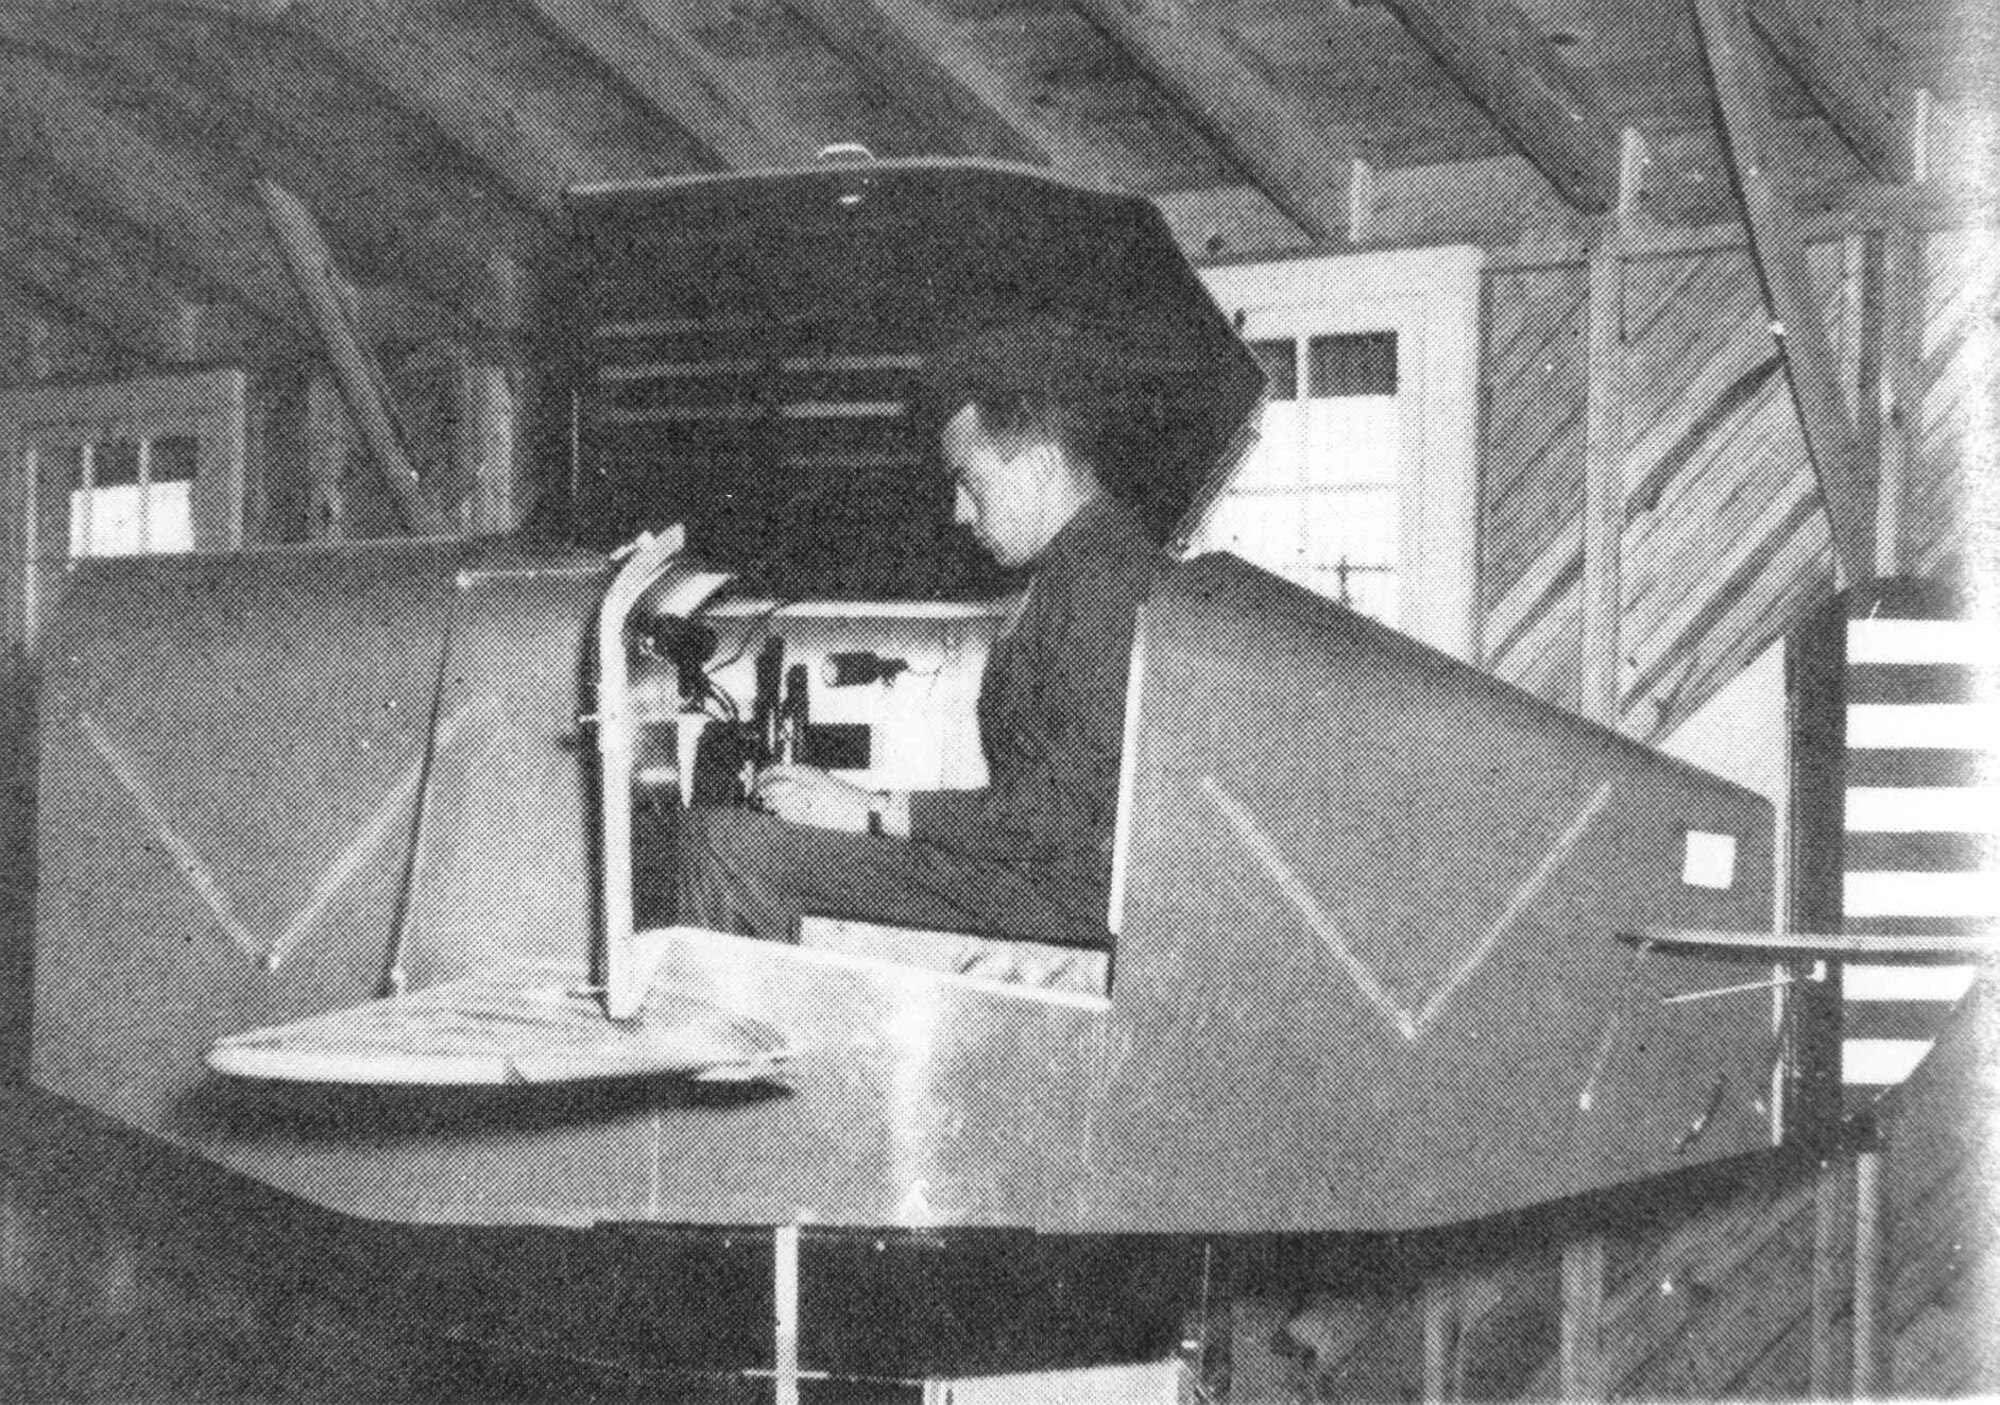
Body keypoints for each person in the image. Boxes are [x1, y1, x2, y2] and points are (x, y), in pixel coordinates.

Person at [668, 385, 1165, 950]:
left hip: (1065, 903)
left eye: (969, 482)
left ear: (1042, 464)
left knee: (723, 846)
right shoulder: (1080, 567)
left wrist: (871, 812)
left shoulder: (1099, 583)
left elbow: (1073, 819)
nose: (958, 511)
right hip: (1041, 883)